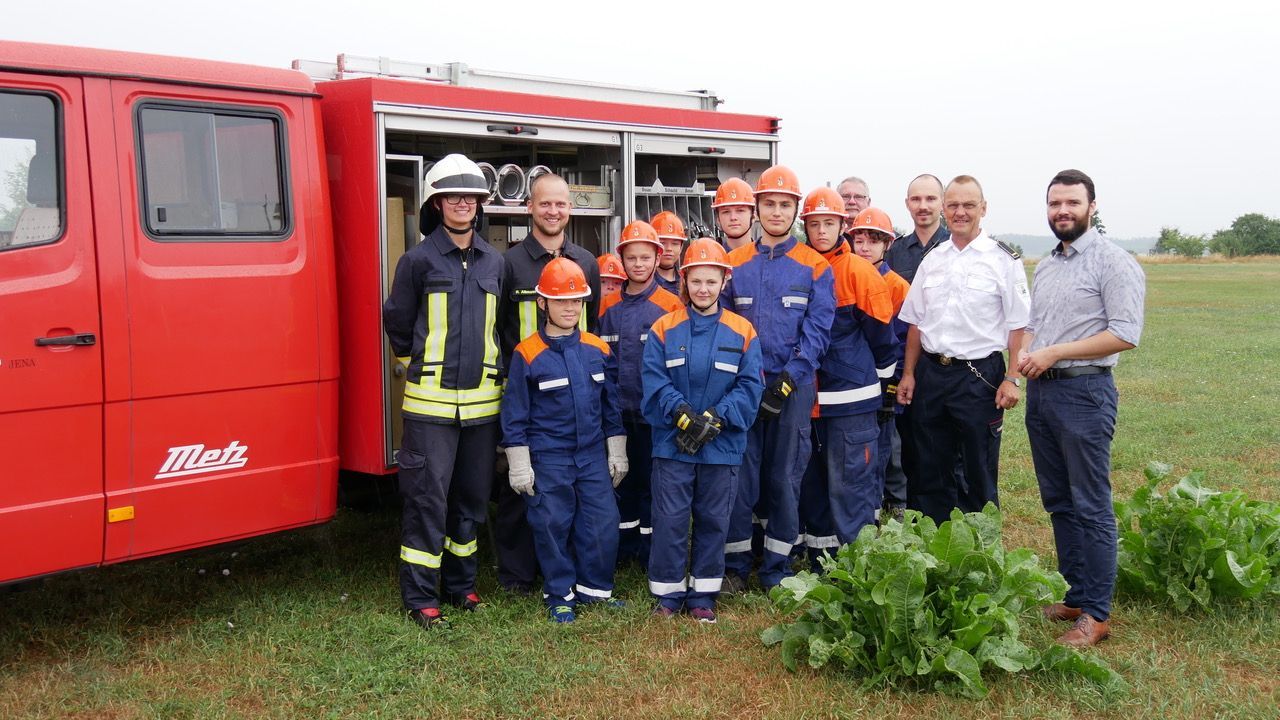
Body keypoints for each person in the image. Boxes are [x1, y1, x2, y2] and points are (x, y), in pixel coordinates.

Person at [1018, 169, 1145, 648]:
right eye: (1054, 204)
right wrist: (1029, 357)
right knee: (1059, 501)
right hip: (1043, 394)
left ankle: (1097, 614)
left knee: (1091, 504)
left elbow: (1125, 333)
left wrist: (1056, 352)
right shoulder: (1048, 264)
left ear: (1092, 206)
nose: (1062, 212)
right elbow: (1034, 326)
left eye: (1071, 203)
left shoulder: (1114, 263)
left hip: (1085, 394)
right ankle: (1076, 594)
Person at [383, 153, 504, 629]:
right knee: (426, 501)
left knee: (471, 502)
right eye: (451, 195)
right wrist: (421, 366)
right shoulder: (417, 260)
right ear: (436, 203)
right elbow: (396, 320)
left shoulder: (494, 261)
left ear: (479, 203)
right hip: (430, 410)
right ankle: (420, 597)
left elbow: (503, 330)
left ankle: (460, 586)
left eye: (469, 196)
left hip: (481, 410)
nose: (461, 203)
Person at [721, 165, 835, 592]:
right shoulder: (734, 264)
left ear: (795, 210)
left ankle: (775, 569)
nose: (776, 211)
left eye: (785, 204)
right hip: (743, 389)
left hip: (793, 388)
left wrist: (787, 379)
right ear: (756, 208)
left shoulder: (814, 266)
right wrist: (748, 382)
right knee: (739, 475)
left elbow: (818, 331)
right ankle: (734, 569)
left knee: (784, 478)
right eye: (768, 203)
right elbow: (726, 329)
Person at [643, 238, 764, 622]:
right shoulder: (664, 328)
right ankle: (667, 593)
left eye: (711, 281)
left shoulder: (742, 330)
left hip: (722, 444)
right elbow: (653, 379)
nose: (703, 289)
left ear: (724, 282)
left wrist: (718, 417)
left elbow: (751, 385)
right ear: (684, 281)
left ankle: (703, 596)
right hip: (672, 442)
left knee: (714, 519)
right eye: (696, 281)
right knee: (671, 518)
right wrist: (681, 414)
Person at [896, 175, 1029, 524]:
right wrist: (909, 373)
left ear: (983, 209)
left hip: (978, 377)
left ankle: (979, 554)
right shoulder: (934, 259)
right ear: (944, 208)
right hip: (931, 374)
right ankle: (933, 548)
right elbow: (915, 323)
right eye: (953, 205)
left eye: (968, 205)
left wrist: (1013, 378)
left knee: (977, 470)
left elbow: (1020, 326)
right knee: (928, 467)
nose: (960, 212)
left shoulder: (1003, 260)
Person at [501, 258, 628, 623]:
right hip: (549, 457)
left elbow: (611, 406)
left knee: (602, 522)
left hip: (590, 457)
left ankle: (596, 591)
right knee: (552, 525)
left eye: (576, 301)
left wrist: (617, 452)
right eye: (561, 301)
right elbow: (515, 415)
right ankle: (559, 593)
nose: (570, 308)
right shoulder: (527, 354)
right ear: (543, 303)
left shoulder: (597, 349)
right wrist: (520, 465)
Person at [495, 173, 603, 595]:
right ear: (529, 209)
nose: (553, 211)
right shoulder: (509, 263)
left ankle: (567, 571)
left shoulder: (587, 262)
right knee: (517, 486)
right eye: (545, 204)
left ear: (570, 209)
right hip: (525, 388)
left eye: (560, 204)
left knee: (567, 493)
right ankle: (518, 576)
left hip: (572, 394)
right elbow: (498, 328)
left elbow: (590, 330)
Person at [796, 189, 894, 564]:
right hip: (809, 404)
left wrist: (882, 393)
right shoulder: (800, 265)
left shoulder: (858, 272)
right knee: (815, 487)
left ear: (843, 226)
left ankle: (858, 565)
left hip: (850, 404)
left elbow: (883, 341)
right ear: (805, 226)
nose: (822, 231)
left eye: (829, 223)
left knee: (850, 485)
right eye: (815, 224)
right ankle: (823, 565)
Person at [598, 221, 683, 567]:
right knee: (622, 482)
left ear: (657, 257)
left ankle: (651, 552)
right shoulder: (605, 307)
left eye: (645, 257)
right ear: (621, 259)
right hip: (618, 414)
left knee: (655, 484)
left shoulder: (671, 304)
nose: (638, 264)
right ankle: (624, 549)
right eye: (631, 257)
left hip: (656, 415)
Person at [848, 207, 913, 523]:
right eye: (859, 240)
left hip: (886, 380)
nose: (865, 247)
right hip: (854, 380)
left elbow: (903, 340)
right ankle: (865, 502)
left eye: (874, 241)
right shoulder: (845, 276)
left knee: (889, 445)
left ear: (887, 244)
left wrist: (894, 381)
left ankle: (896, 500)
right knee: (860, 447)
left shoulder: (898, 286)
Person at [886, 174, 949, 283]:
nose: (923, 206)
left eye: (930, 199)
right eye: (915, 199)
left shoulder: (957, 247)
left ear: (943, 203)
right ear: (907, 203)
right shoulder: (893, 251)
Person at [712, 177, 755, 251]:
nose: (733, 217)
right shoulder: (713, 260)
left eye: (740, 210)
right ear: (718, 219)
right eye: (726, 212)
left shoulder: (768, 258)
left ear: (753, 216)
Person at [651, 210, 686, 296]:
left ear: (681, 248)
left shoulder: (687, 283)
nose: (669, 249)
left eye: (675, 244)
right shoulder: (644, 283)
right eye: (662, 243)